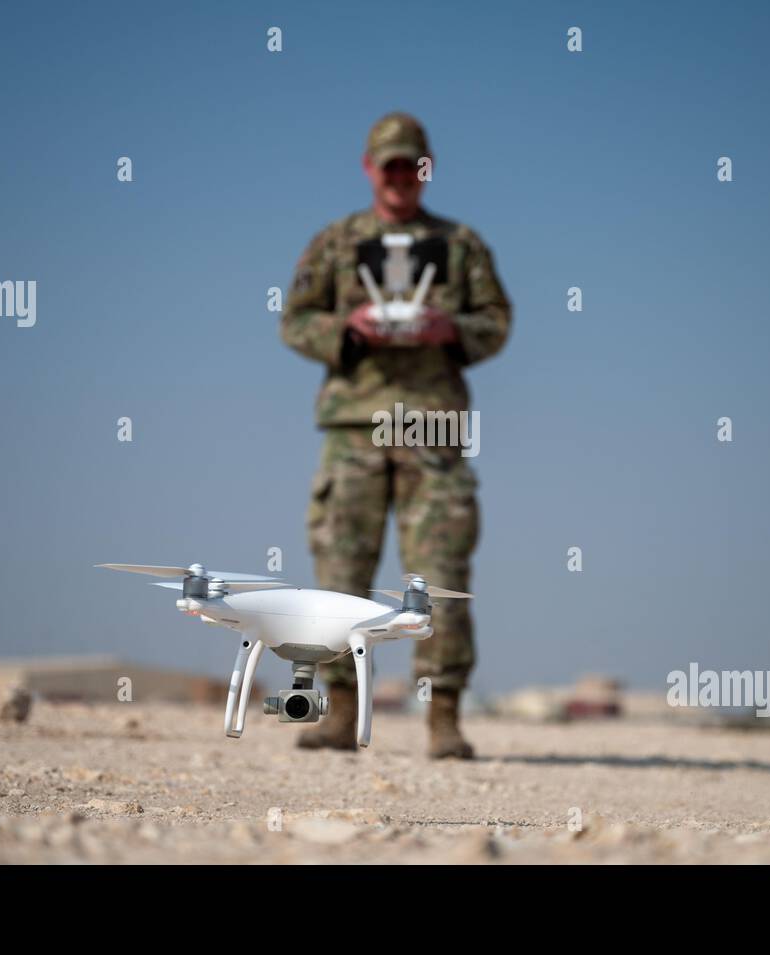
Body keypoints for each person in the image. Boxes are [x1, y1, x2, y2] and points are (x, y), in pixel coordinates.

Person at [280, 112, 512, 758]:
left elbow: (498, 320)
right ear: (368, 169)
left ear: (427, 168)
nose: (401, 178)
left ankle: (443, 719)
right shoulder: (334, 242)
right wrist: (346, 330)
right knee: (340, 575)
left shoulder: (462, 245)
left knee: (438, 574)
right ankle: (340, 712)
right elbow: (293, 320)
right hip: (354, 428)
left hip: (432, 427)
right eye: (390, 166)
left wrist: (453, 330)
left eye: (413, 166)